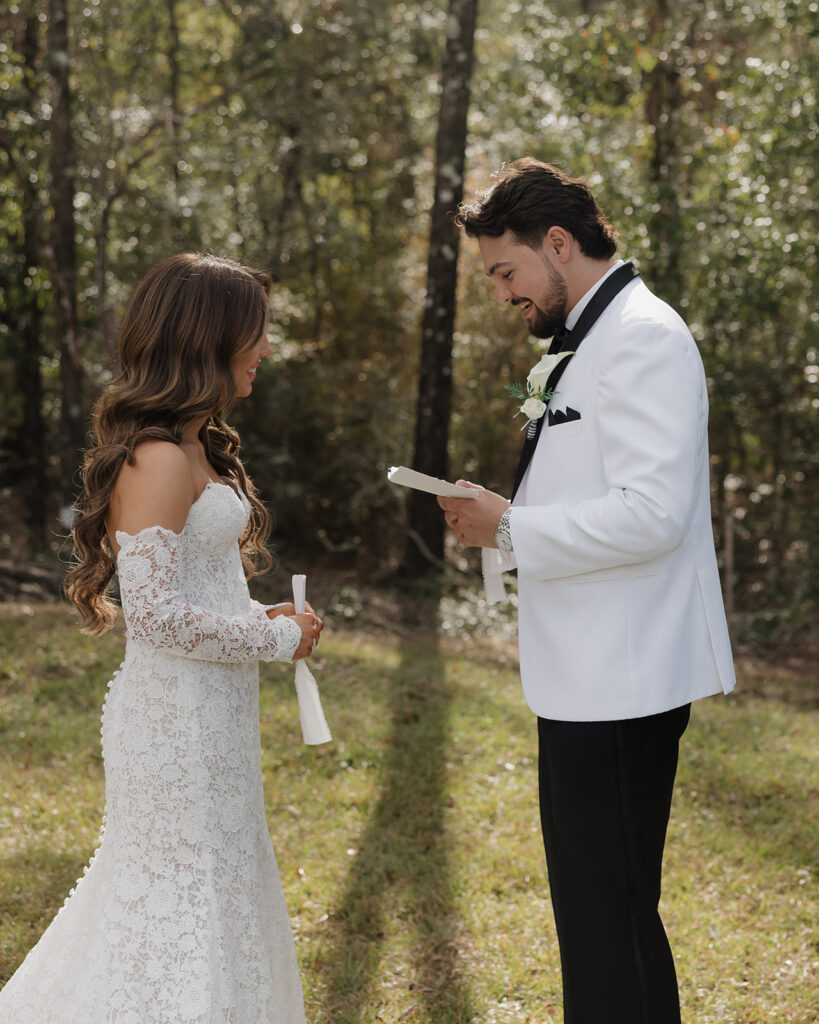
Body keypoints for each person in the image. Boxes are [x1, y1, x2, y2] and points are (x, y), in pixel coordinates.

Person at [438, 158, 735, 1024]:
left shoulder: (641, 334)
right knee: (598, 918)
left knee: (612, 923)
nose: (502, 294)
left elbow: (652, 516)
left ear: (558, 243)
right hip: (590, 677)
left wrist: (511, 528)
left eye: (505, 271)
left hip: (623, 679)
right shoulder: (591, 337)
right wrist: (499, 524)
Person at [0, 253, 322, 1022]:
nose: (267, 350)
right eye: (256, 334)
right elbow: (156, 618)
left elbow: (198, 595)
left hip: (213, 713)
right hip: (172, 721)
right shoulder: (154, 457)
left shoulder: (200, 446)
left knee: (220, 885)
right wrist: (275, 645)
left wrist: (261, 619)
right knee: (177, 898)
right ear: (205, 340)